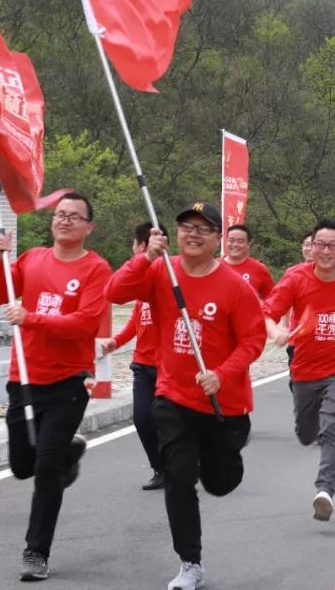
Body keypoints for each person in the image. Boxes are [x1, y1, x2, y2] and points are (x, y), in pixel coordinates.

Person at [106, 201, 266, 590]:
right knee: (178, 477)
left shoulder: (234, 286)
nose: (193, 235)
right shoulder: (161, 270)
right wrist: (146, 257)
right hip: (173, 396)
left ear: (218, 238)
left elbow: (253, 341)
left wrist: (222, 374)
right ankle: (190, 562)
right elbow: (115, 292)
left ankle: (225, 459)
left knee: (220, 482)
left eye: (203, 229)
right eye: (186, 227)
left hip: (223, 404)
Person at [0, 193, 111, 582]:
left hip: (69, 381)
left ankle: (36, 552)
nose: (65, 220)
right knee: (22, 465)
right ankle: (69, 453)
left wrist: (31, 318)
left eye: (75, 216)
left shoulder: (96, 269)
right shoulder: (33, 259)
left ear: (89, 227)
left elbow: (84, 324)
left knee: (45, 468)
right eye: (60, 214)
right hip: (24, 376)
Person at [264, 219, 335, 521]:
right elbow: (268, 313)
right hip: (304, 371)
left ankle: (325, 491)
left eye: (332, 246)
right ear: (311, 247)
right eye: (320, 245)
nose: (325, 251)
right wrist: (276, 331)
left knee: (331, 423)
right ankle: (326, 425)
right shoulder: (295, 278)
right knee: (306, 434)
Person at [97, 222, 167, 491]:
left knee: (169, 420)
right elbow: (135, 323)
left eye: (135, 244)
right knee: (142, 418)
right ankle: (160, 468)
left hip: (169, 367)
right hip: (143, 365)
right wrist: (115, 342)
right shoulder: (139, 282)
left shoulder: (169, 279)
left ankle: (181, 463)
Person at [221, 224, 275, 300]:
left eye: (240, 241)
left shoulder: (259, 268)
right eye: (231, 241)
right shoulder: (214, 266)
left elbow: (272, 299)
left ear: (248, 244)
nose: (235, 245)